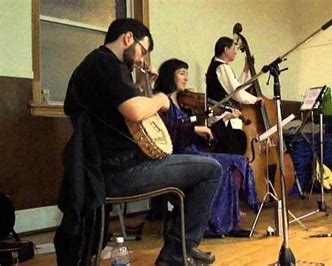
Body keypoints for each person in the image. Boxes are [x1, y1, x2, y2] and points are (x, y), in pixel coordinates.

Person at [59, 18, 221, 265]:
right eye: (142, 51)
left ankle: (182, 248)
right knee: (211, 170)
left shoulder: (96, 65)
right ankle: (179, 251)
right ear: (127, 38)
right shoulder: (107, 65)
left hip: (101, 171)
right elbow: (136, 112)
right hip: (122, 170)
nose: (140, 59)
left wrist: (144, 82)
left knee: (198, 168)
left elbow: (133, 117)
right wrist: (160, 98)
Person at [154, 58, 259, 238]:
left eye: (186, 73)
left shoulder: (183, 105)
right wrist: (194, 128)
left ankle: (230, 221)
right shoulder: (161, 102)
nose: (186, 78)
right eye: (181, 73)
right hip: (178, 156)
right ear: (169, 75)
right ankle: (214, 223)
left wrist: (223, 120)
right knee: (222, 166)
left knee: (237, 161)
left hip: (193, 151)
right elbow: (168, 132)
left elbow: (202, 136)